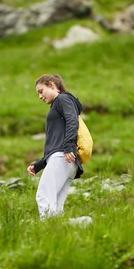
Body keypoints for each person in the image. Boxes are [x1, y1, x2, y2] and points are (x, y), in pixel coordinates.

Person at [27, 74, 84, 219]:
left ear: (52, 85)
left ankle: (47, 232)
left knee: (44, 196)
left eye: (41, 91)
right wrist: (40, 164)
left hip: (63, 156)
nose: (40, 96)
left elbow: (72, 121)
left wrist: (68, 146)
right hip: (67, 159)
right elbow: (56, 139)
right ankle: (58, 234)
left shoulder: (62, 99)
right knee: (56, 205)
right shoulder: (59, 104)